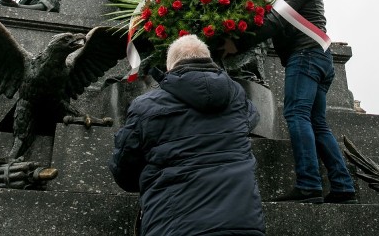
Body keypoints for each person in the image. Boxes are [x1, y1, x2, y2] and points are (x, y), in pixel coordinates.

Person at [109, 35, 265, 236]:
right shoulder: (237, 97)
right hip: (243, 225)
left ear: (170, 67)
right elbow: (251, 119)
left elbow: (123, 170)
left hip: (176, 225)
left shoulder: (146, 106)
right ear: (209, 60)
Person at [254, 0, 356, 204]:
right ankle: (343, 186)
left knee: (297, 115)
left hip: (306, 56)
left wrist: (239, 42)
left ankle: (309, 184)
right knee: (318, 123)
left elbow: (277, 19)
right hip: (319, 58)